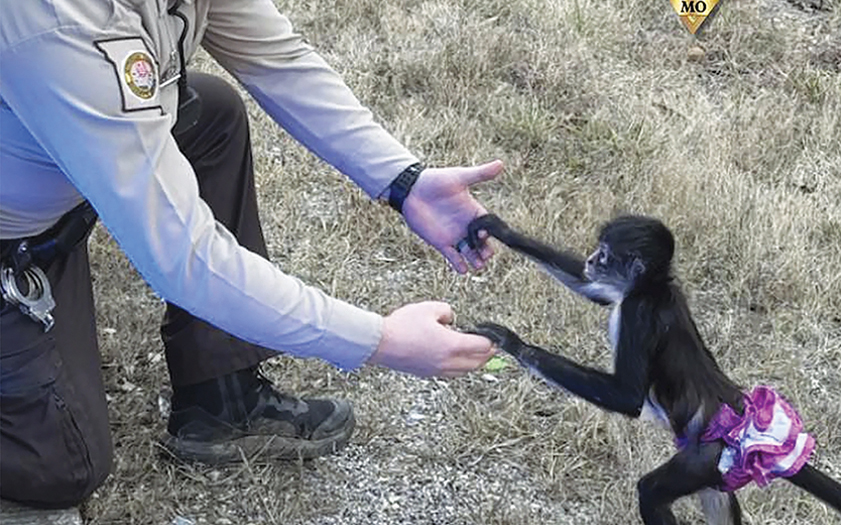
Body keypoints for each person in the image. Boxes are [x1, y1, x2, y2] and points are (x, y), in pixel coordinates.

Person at [0, 0, 500, 510]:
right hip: (12, 229)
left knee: (209, 113)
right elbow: (186, 259)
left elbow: (279, 59)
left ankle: (223, 397)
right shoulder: (54, 20)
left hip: (49, 182)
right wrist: (381, 340)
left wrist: (402, 182)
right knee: (59, 464)